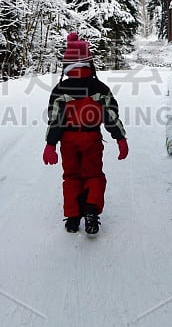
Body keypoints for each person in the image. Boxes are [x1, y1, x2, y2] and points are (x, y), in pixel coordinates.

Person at [42, 32, 128, 234]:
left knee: (71, 175)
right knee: (93, 174)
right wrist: (120, 138)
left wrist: (50, 144)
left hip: (68, 141)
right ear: (89, 62)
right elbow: (110, 116)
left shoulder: (60, 90)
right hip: (92, 138)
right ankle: (91, 208)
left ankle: (72, 217)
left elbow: (56, 120)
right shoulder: (99, 88)